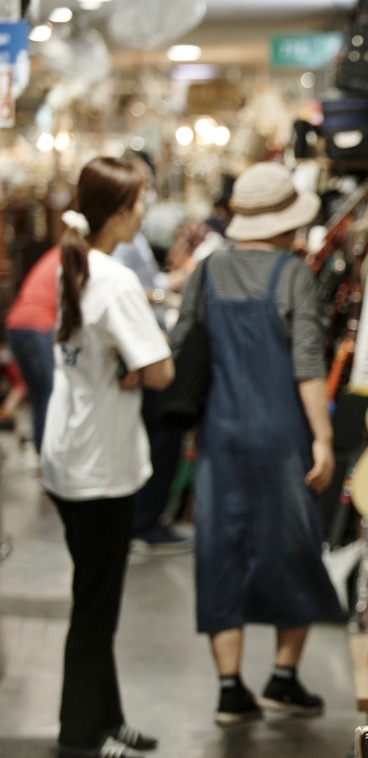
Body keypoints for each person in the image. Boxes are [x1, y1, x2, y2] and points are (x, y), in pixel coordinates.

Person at [171, 161, 342, 725]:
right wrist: (323, 437)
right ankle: (284, 678)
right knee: (291, 546)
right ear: (288, 223)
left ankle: (229, 689)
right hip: (281, 435)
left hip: (219, 436)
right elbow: (308, 367)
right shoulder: (294, 276)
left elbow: (184, 349)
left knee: (221, 551)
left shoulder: (206, 272)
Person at [40, 156, 175, 758]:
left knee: (95, 594)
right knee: (96, 608)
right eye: (139, 201)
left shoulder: (76, 264)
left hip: (69, 455)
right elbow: (162, 371)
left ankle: (108, 715)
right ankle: (77, 737)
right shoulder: (115, 279)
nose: (144, 212)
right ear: (120, 212)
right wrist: (137, 365)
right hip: (100, 468)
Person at [113, 152, 193, 554]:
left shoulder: (129, 242)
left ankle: (144, 519)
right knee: (161, 425)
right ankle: (145, 522)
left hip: (144, 349)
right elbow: (131, 292)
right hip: (142, 353)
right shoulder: (116, 253)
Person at [4, 245, 59, 449]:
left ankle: (43, 458)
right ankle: (46, 458)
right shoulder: (72, 256)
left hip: (16, 325)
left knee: (39, 395)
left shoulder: (53, 254)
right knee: (47, 395)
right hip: (36, 327)